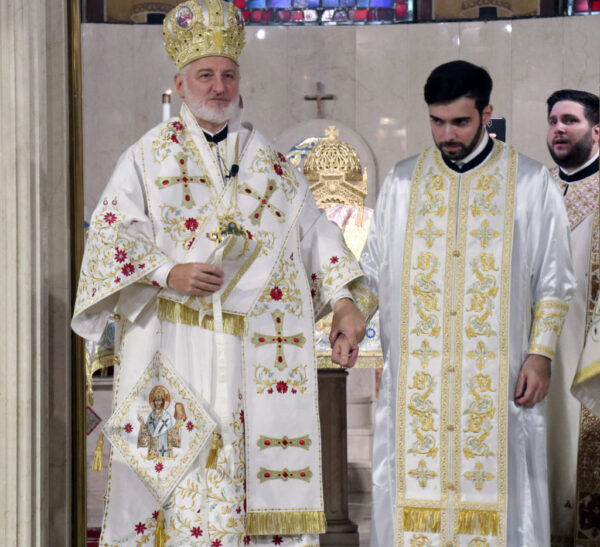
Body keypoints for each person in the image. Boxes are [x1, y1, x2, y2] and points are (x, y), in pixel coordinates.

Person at [72, 1, 366, 544]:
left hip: (254, 358)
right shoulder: (145, 159)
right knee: (174, 493)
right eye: (205, 74)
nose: (219, 86)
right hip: (172, 350)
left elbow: (316, 236)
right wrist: (167, 273)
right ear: (180, 85)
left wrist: (345, 300)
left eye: (228, 74)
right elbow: (109, 240)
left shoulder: (272, 166)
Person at [353, 60, 575, 546]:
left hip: (499, 381)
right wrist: (352, 314)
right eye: (437, 121)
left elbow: (555, 279)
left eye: (460, 122)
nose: (447, 134)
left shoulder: (529, 183)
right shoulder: (403, 183)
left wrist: (540, 354)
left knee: (502, 500)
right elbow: (372, 270)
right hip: (420, 389)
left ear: (486, 114)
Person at [545, 89, 599, 545]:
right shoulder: (534, 189)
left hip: (590, 351)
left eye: (570, 120)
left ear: (597, 131)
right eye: (553, 121)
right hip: (537, 353)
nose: (558, 129)